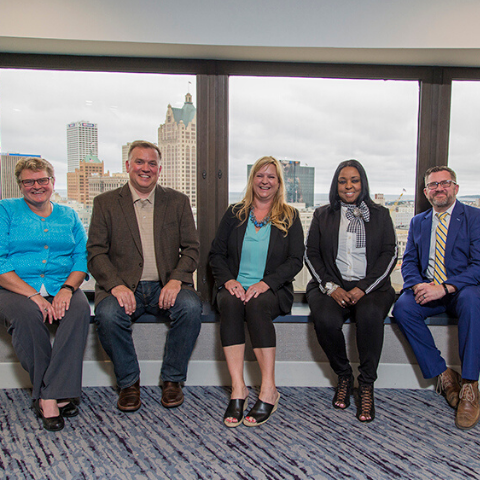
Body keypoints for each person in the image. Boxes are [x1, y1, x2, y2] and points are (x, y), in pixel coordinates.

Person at [87, 140, 201, 413]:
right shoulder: (105, 203)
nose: (145, 168)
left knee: (191, 307)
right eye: (140, 162)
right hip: (124, 286)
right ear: (128, 166)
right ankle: (129, 383)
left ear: (159, 170)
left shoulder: (177, 201)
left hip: (167, 284)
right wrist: (115, 285)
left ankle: (173, 380)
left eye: (152, 163)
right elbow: (95, 252)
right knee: (107, 315)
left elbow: (192, 249)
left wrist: (176, 279)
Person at [209, 156, 304, 427]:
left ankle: (268, 390)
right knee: (230, 303)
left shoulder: (290, 216)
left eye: (271, 177)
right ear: (252, 180)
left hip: (271, 289)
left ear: (279, 183)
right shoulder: (234, 213)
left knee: (257, 304)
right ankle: (238, 389)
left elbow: (296, 260)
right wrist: (228, 280)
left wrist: (266, 283)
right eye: (260, 176)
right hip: (236, 285)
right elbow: (216, 254)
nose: (265, 181)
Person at [0, 157, 90, 431]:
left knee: (79, 311)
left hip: (61, 284)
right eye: (29, 181)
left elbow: (80, 258)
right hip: (14, 286)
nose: (36, 186)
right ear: (20, 185)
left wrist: (66, 289)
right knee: (28, 316)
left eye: (42, 180)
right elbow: (1, 262)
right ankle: (54, 397)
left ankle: (46, 394)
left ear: (52, 182)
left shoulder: (69, 215)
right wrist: (34, 296)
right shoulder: (6, 210)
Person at [305, 160, 397, 422]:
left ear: (362, 182)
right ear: (336, 185)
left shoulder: (380, 214)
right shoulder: (322, 214)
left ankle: (366, 385)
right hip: (331, 284)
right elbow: (311, 254)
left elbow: (389, 255)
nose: (348, 186)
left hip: (373, 286)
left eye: (354, 180)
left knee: (369, 316)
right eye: (342, 180)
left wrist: (363, 288)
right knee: (324, 319)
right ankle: (344, 374)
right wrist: (331, 287)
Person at [393, 166, 480, 430]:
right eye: (433, 185)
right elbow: (408, 261)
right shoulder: (418, 222)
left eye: (445, 183)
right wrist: (418, 284)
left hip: (462, 289)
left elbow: (478, 265)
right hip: (429, 287)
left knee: (473, 302)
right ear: (426, 192)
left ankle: (469, 385)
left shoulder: (474, 217)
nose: (439, 189)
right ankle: (443, 374)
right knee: (402, 309)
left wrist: (445, 287)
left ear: (455, 187)